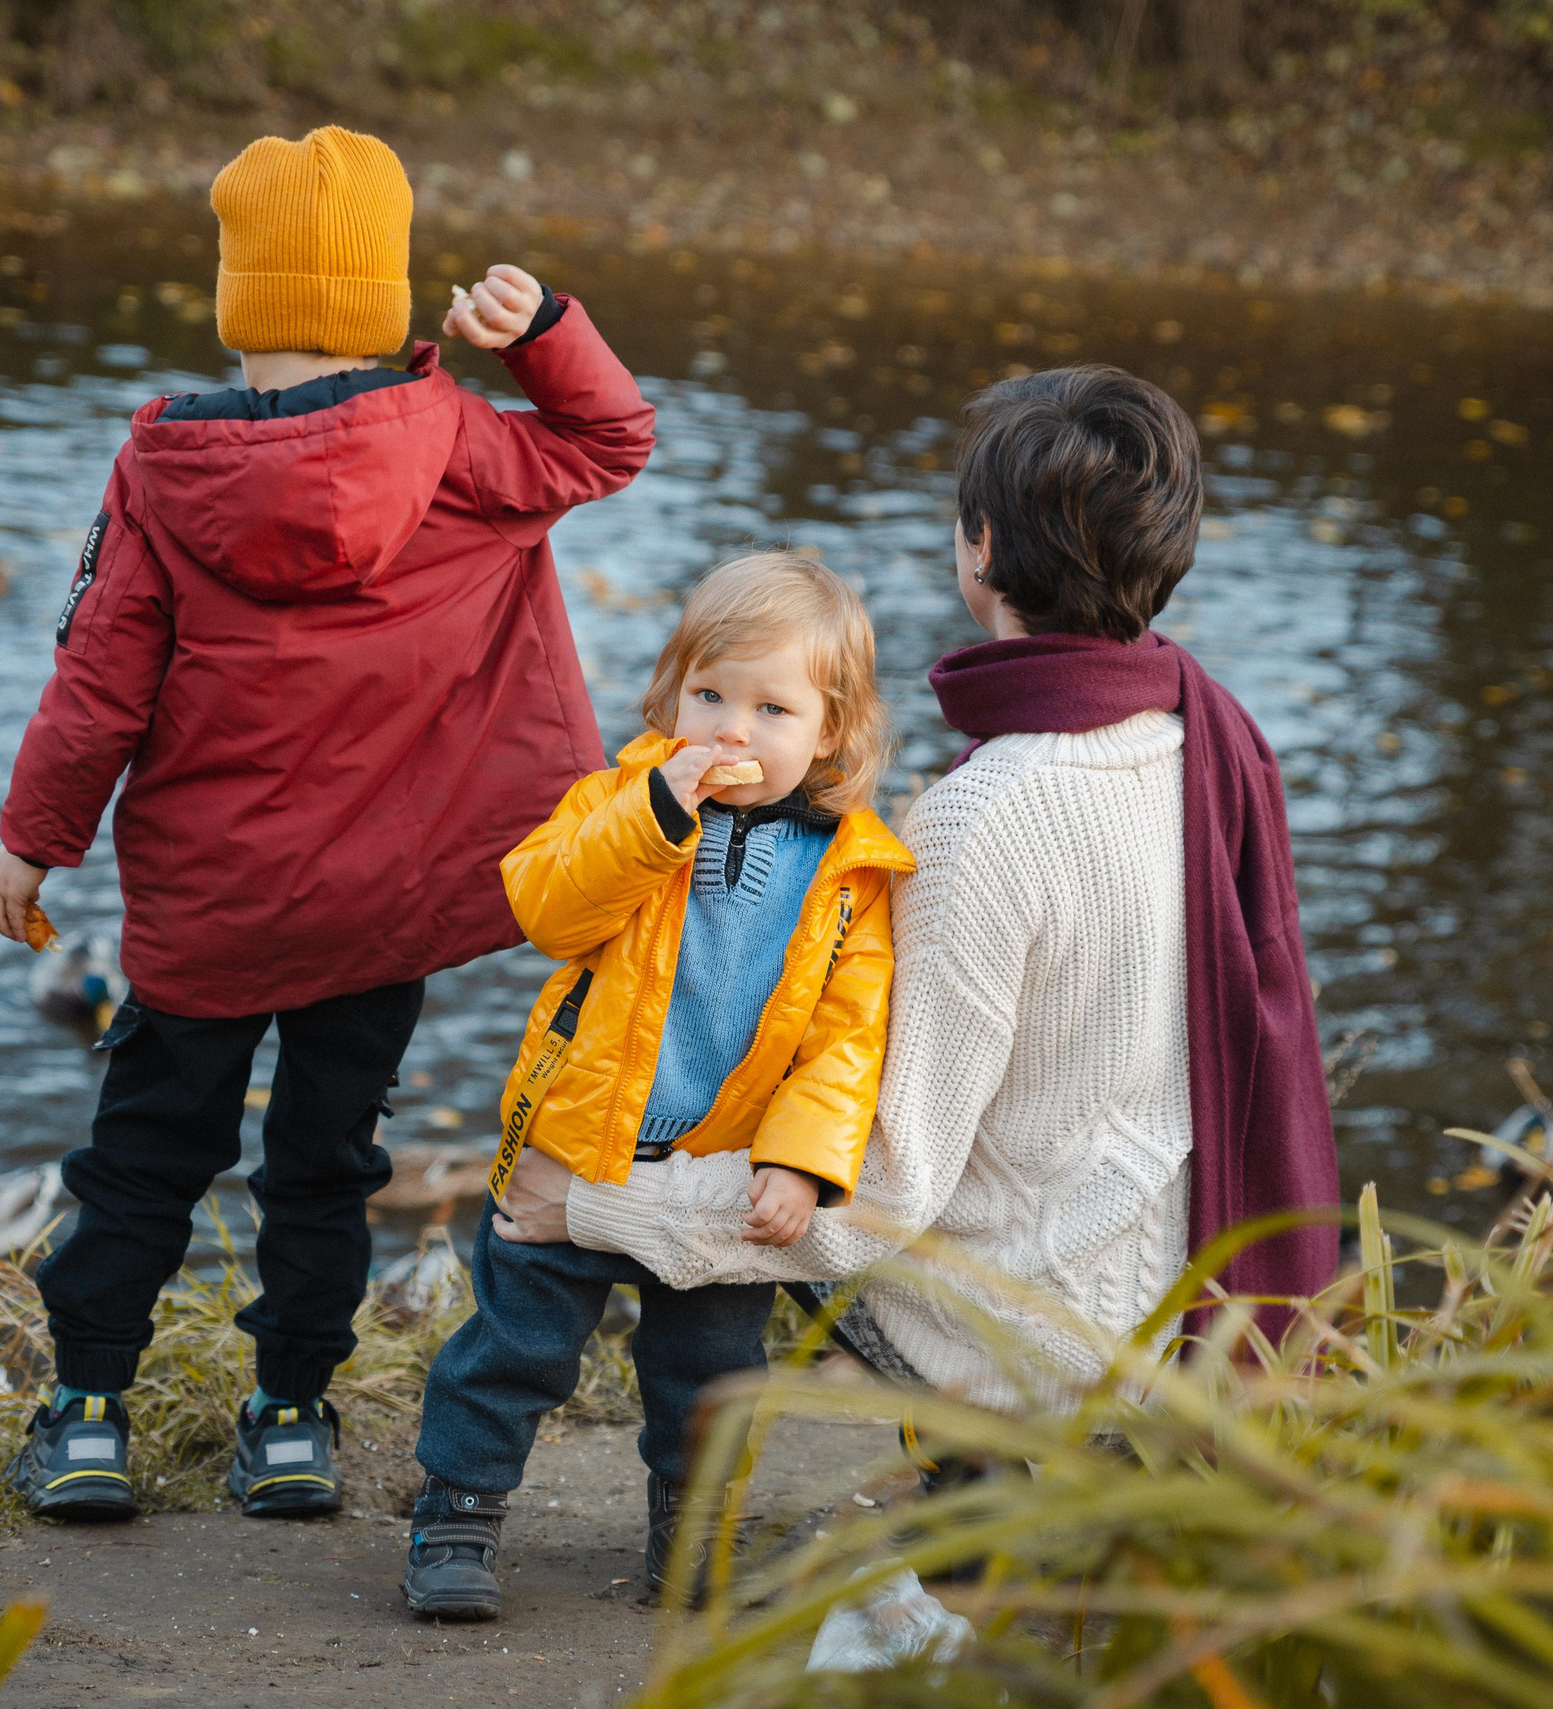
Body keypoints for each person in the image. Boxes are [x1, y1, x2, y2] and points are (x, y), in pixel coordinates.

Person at [0, 124, 655, 1524]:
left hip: (214, 916)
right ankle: (288, 1420)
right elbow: (610, 441)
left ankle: (88, 1411)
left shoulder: (166, 472)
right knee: (327, 1165)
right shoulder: (460, 441)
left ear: (242, 307)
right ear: (386, 301)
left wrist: (30, 842)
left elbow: (97, 685)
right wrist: (543, 333)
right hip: (382, 911)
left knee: (147, 1157)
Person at [498, 366, 1341, 1437]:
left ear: (978, 546)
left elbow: (881, 1193)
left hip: (1028, 1340)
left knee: (784, 1131)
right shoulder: (1202, 740)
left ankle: (968, 1477)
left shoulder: (981, 815)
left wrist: (596, 1206)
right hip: (1175, 1294)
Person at [399, 554, 913, 1620]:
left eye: (772, 707)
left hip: (720, 1169)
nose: (732, 727)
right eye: (710, 694)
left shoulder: (852, 873)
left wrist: (798, 1159)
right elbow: (547, 906)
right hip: (579, 1145)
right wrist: (652, 816)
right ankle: (457, 1506)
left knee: (709, 1372)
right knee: (515, 1347)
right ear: (671, 692)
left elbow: (845, 1038)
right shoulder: (619, 802)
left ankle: (693, 1535)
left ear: (829, 731)